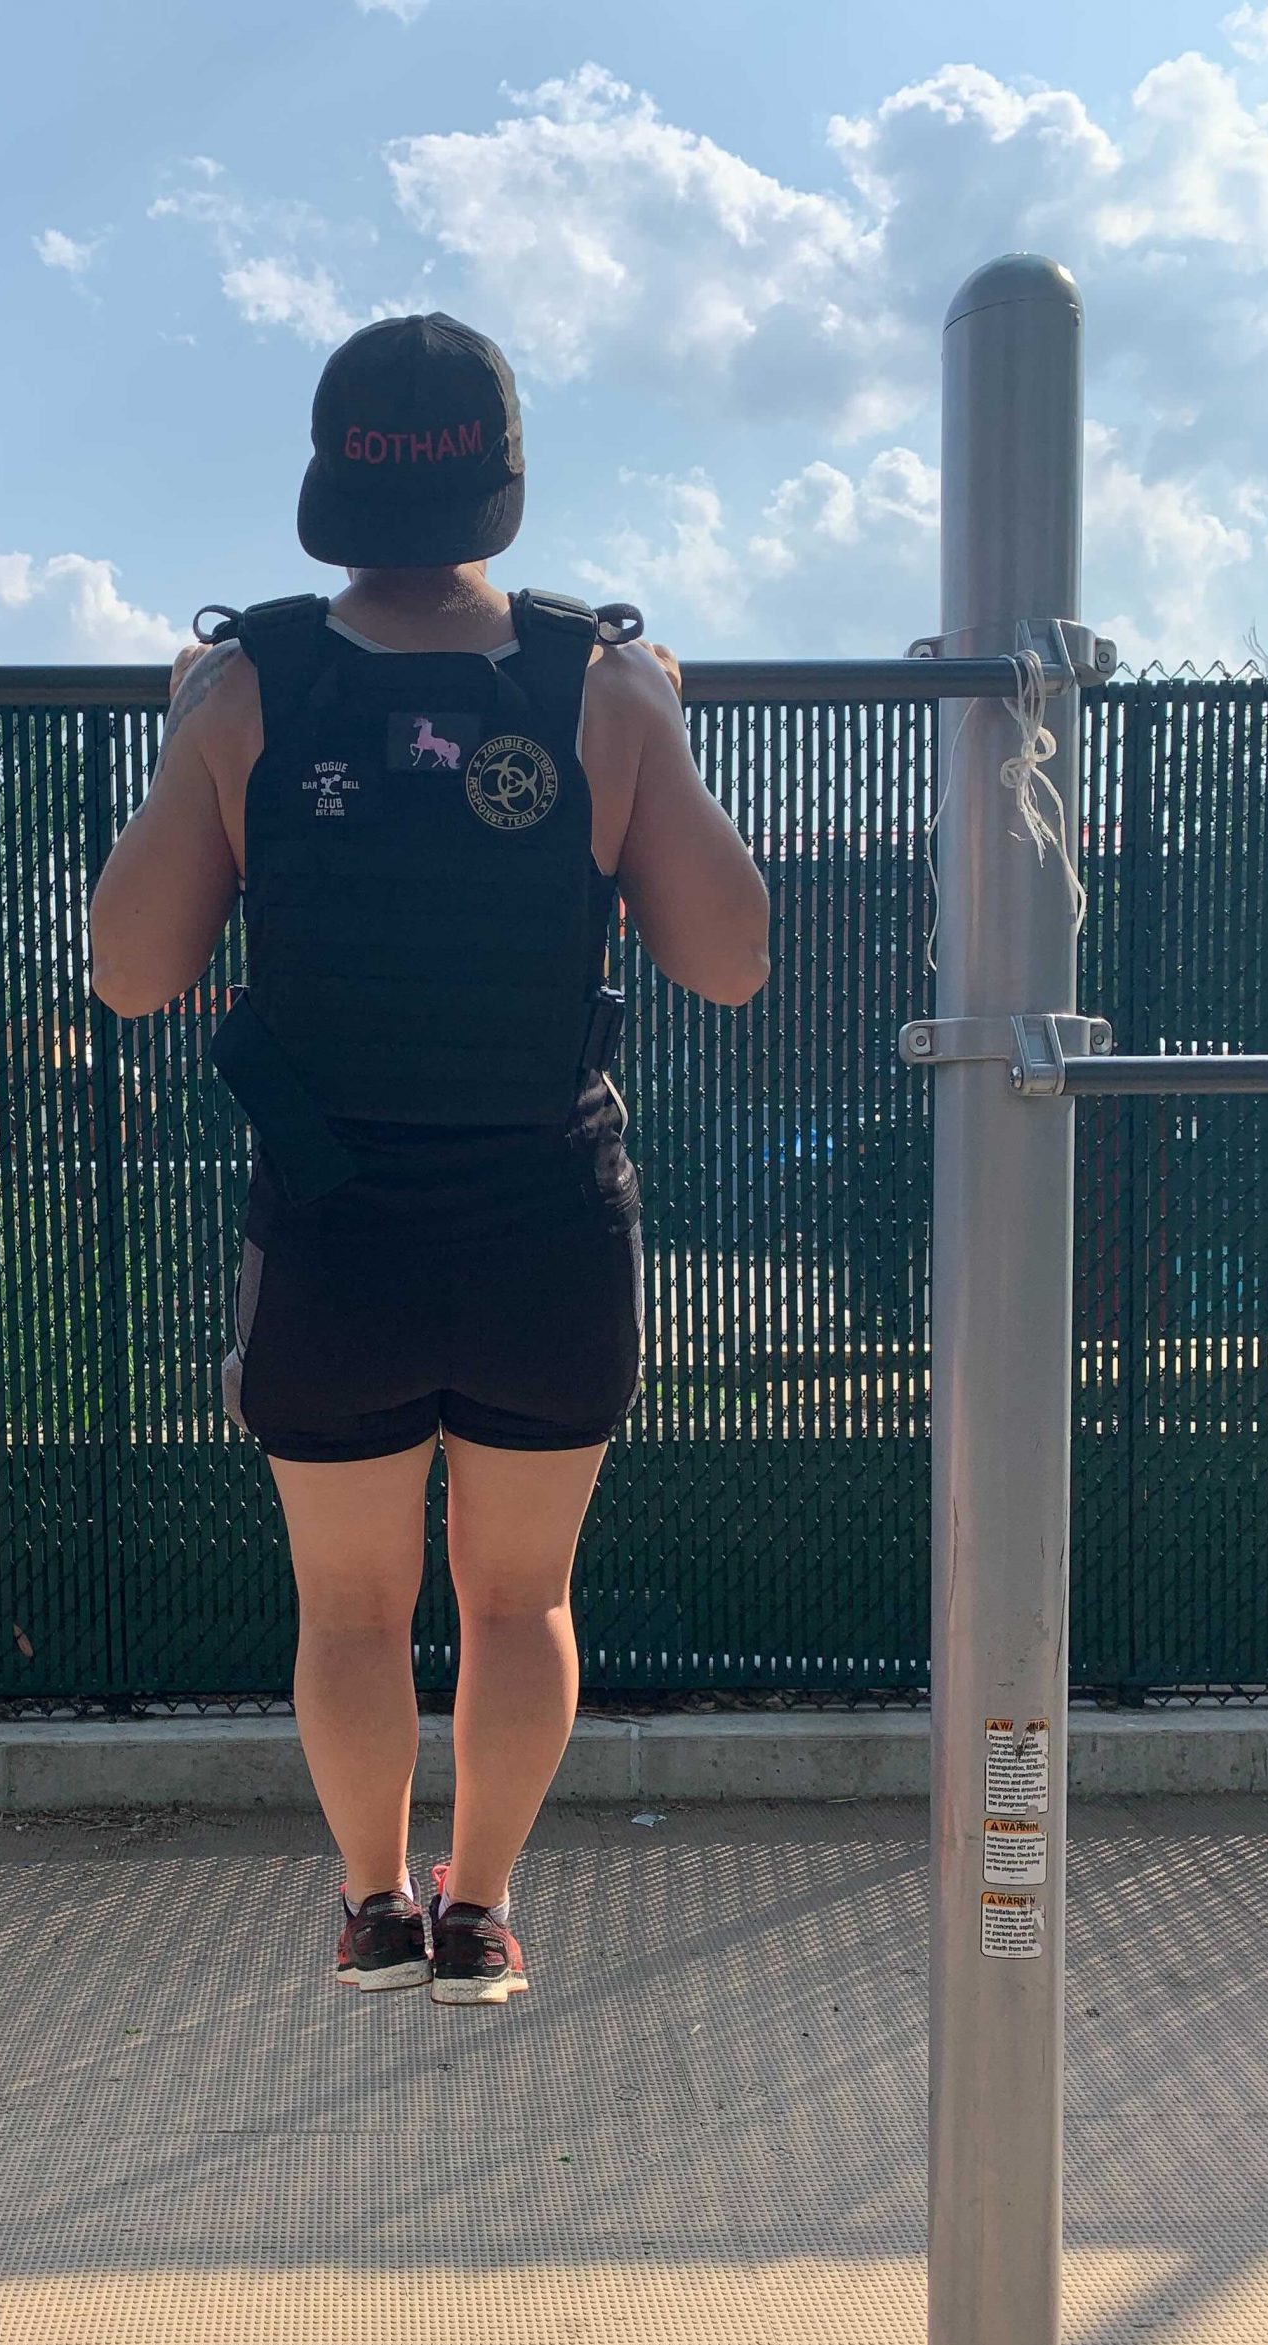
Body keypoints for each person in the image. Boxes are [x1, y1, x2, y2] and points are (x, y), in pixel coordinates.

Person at [89, 312, 770, 2005]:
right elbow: (736, 959)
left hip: (336, 1225)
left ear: (332, 482)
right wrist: (657, 730)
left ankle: (375, 1902)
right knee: (520, 1599)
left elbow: (129, 972)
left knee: (350, 1610)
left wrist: (197, 736)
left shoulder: (254, 685)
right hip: (545, 1215)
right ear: (503, 482)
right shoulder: (596, 683)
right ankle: (482, 1912)